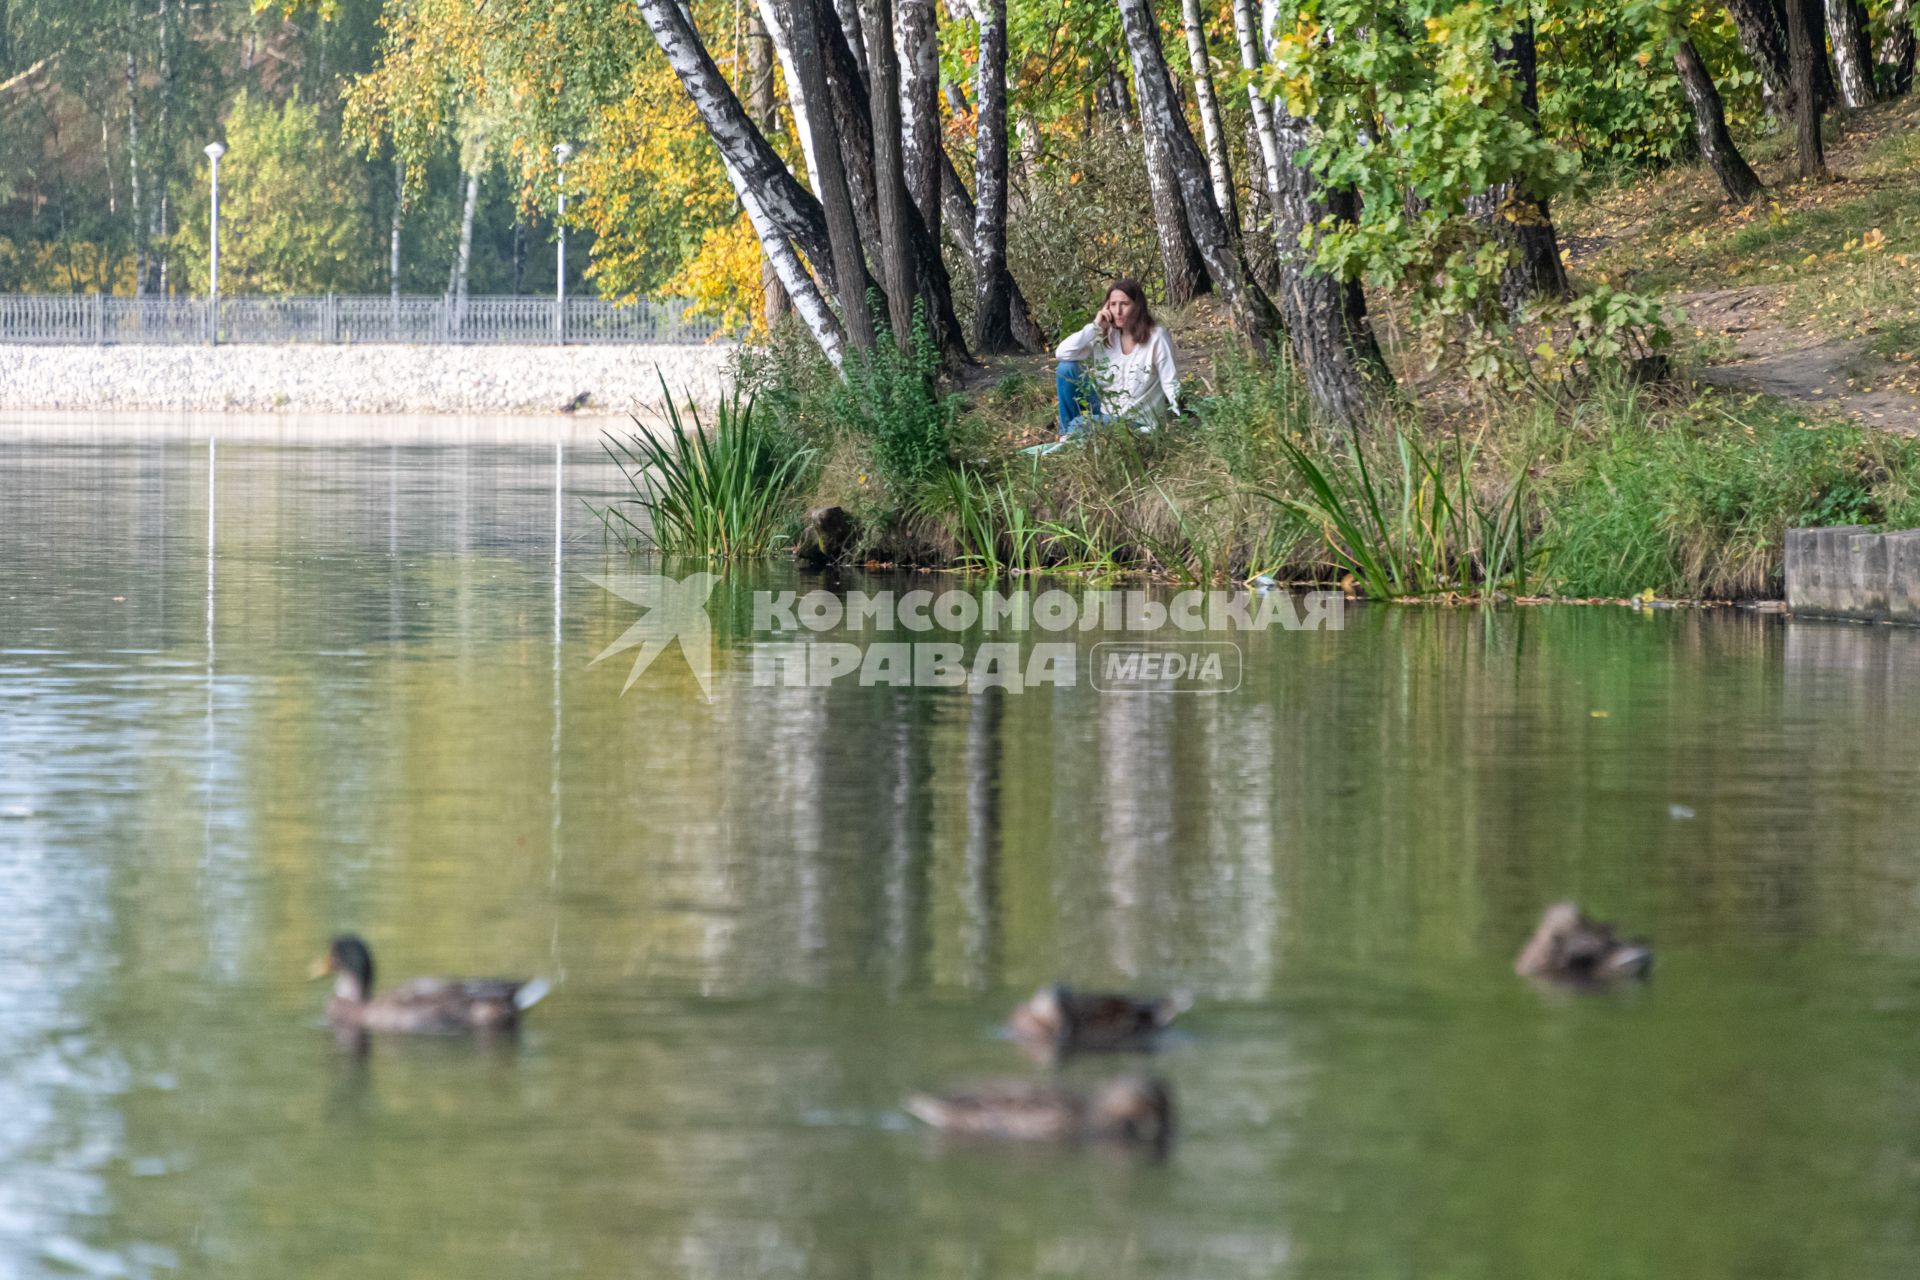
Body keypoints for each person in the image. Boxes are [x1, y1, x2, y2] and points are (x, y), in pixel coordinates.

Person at [1050, 278, 1181, 443]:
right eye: (1113, 304)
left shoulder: (1156, 336)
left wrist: (1179, 422)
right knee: (1066, 369)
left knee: (1081, 423)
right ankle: (1068, 436)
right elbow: (1062, 353)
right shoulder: (1104, 334)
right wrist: (1095, 327)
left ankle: (1072, 437)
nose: (1118, 311)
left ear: (1137, 306)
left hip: (1138, 421)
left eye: (1124, 304)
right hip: (1106, 412)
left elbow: (1171, 382)